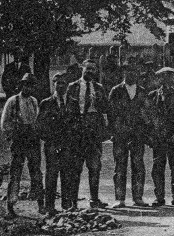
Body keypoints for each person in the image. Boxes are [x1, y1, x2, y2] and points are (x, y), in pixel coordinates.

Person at [66, 61, 109, 209]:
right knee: (75, 167)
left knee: (95, 166)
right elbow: (68, 110)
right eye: (87, 69)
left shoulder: (99, 88)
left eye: (93, 70)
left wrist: (99, 99)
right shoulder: (72, 87)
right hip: (78, 131)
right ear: (82, 69)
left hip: (93, 131)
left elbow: (105, 108)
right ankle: (73, 202)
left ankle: (94, 199)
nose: (90, 72)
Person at [146, 66, 174, 207]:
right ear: (158, 79)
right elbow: (147, 118)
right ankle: (159, 197)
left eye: (169, 77)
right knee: (157, 168)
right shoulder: (152, 96)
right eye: (162, 77)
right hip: (158, 138)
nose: (166, 81)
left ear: (173, 79)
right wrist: (151, 135)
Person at [0, 73, 42, 217]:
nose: (28, 88)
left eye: (31, 85)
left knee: (36, 171)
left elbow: (37, 120)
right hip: (19, 141)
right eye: (26, 85)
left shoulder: (34, 101)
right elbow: (4, 123)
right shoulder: (13, 101)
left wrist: (35, 132)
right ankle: (10, 207)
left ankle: (40, 204)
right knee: (15, 173)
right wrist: (13, 136)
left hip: (32, 140)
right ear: (21, 85)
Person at [107, 66, 150, 208]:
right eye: (127, 71)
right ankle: (120, 199)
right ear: (123, 73)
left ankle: (138, 197)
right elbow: (111, 113)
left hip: (137, 135)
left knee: (138, 166)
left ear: (137, 74)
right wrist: (112, 132)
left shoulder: (142, 92)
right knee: (120, 166)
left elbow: (147, 114)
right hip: (120, 134)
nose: (130, 74)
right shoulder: (116, 91)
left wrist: (145, 131)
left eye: (133, 71)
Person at [38, 73, 77, 215]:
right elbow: (40, 127)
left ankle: (66, 206)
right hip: (52, 146)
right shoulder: (46, 103)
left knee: (67, 175)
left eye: (63, 83)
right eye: (58, 83)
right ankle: (49, 207)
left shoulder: (73, 103)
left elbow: (76, 125)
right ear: (53, 84)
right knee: (51, 176)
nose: (61, 86)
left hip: (68, 146)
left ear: (68, 85)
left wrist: (71, 143)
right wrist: (52, 141)